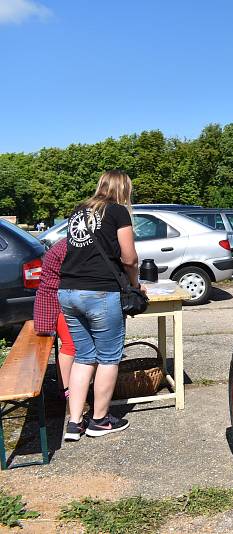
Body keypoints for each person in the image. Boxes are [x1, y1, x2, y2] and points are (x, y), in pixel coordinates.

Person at [59, 170, 142, 441]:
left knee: (84, 356)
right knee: (108, 358)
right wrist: (135, 284)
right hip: (99, 292)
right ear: (124, 189)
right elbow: (129, 258)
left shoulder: (78, 211)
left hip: (68, 291)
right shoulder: (118, 211)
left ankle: (74, 423)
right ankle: (99, 421)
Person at [33, 238, 76, 400]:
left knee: (72, 345)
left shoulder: (67, 242)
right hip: (55, 302)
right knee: (70, 345)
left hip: (57, 299)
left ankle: (67, 386)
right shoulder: (69, 246)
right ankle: (65, 388)